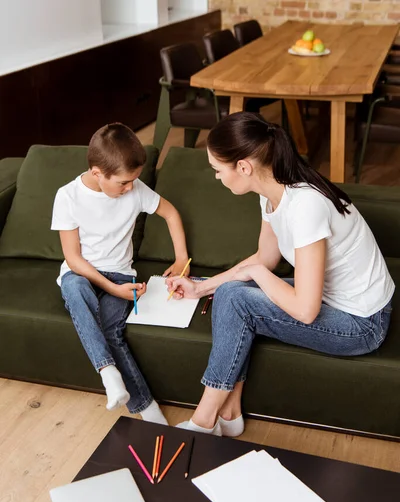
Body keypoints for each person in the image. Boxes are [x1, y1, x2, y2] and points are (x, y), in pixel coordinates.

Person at [167, 112, 395, 437]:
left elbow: (305, 309)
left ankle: (204, 421)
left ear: (243, 167)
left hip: (362, 323)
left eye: (218, 170)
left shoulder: (306, 206)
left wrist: (255, 273)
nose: (217, 177)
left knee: (238, 299)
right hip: (331, 298)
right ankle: (228, 413)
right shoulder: (272, 193)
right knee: (231, 293)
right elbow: (265, 258)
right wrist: (200, 288)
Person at [51, 123, 189, 423]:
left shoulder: (136, 190)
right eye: (123, 183)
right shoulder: (68, 196)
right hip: (81, 273)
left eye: (134, 181)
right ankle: (108, 372)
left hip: (121, 274)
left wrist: (181, 259)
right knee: (74, 287)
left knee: (112, 331)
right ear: (98, 172)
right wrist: (112, 290)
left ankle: (145, 409)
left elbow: (171, 213)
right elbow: (73, 259)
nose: (130, 188)